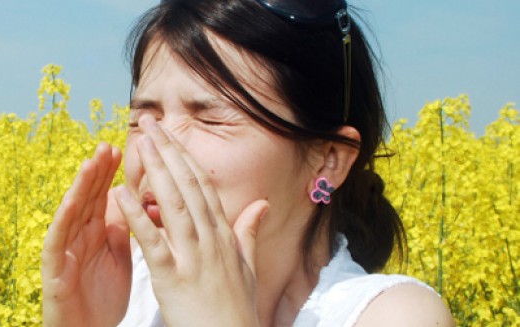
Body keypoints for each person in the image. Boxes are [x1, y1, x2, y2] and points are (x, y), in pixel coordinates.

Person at [41, 0, 455, 326]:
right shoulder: (122, 293)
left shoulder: (394, 316)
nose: (155, 148)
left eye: (209, 118)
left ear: (328, 162)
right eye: (141, 119)